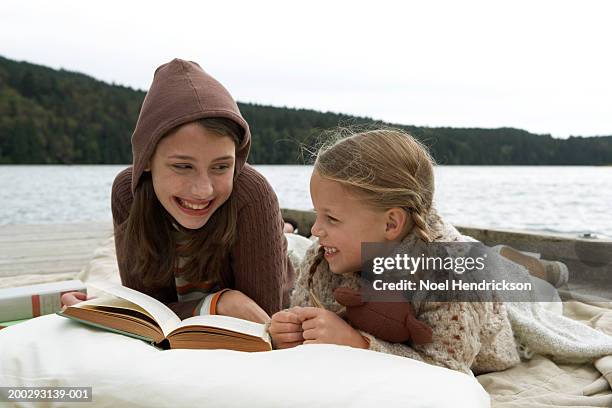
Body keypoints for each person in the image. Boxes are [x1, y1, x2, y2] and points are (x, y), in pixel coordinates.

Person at [268, 128, 521, 374]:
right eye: (316, 214)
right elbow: (307, 320)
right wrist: (289, 332)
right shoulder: (324, 255)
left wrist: (358, 343)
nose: (315, 229)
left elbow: (447, 369)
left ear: (391, 223)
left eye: (331, 218)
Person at [62, 58, 294, 323]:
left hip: (277, 263)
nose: (203, 189)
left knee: (290, 244)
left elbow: (264, 316)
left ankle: (286, 231)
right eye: (183, 166)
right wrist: (219, 303)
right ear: (147, 159)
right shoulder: (129, 192)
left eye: (220, 167)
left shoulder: (252, 193)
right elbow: (148, 308)